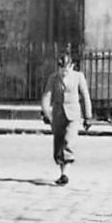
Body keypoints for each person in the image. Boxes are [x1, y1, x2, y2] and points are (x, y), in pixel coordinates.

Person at [41, 52, 94, 185]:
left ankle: (66, 174)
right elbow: (47, 96)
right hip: (58, 115)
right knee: (58, 145)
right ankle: (62, 173)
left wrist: (88, 116)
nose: (64, 71)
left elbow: (85, 96)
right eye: (61, 68)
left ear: (72, 66)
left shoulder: (78, 77)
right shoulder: (53, 78)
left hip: (73, 115)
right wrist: (46, 112)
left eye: (66, 68)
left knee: (68, 142)